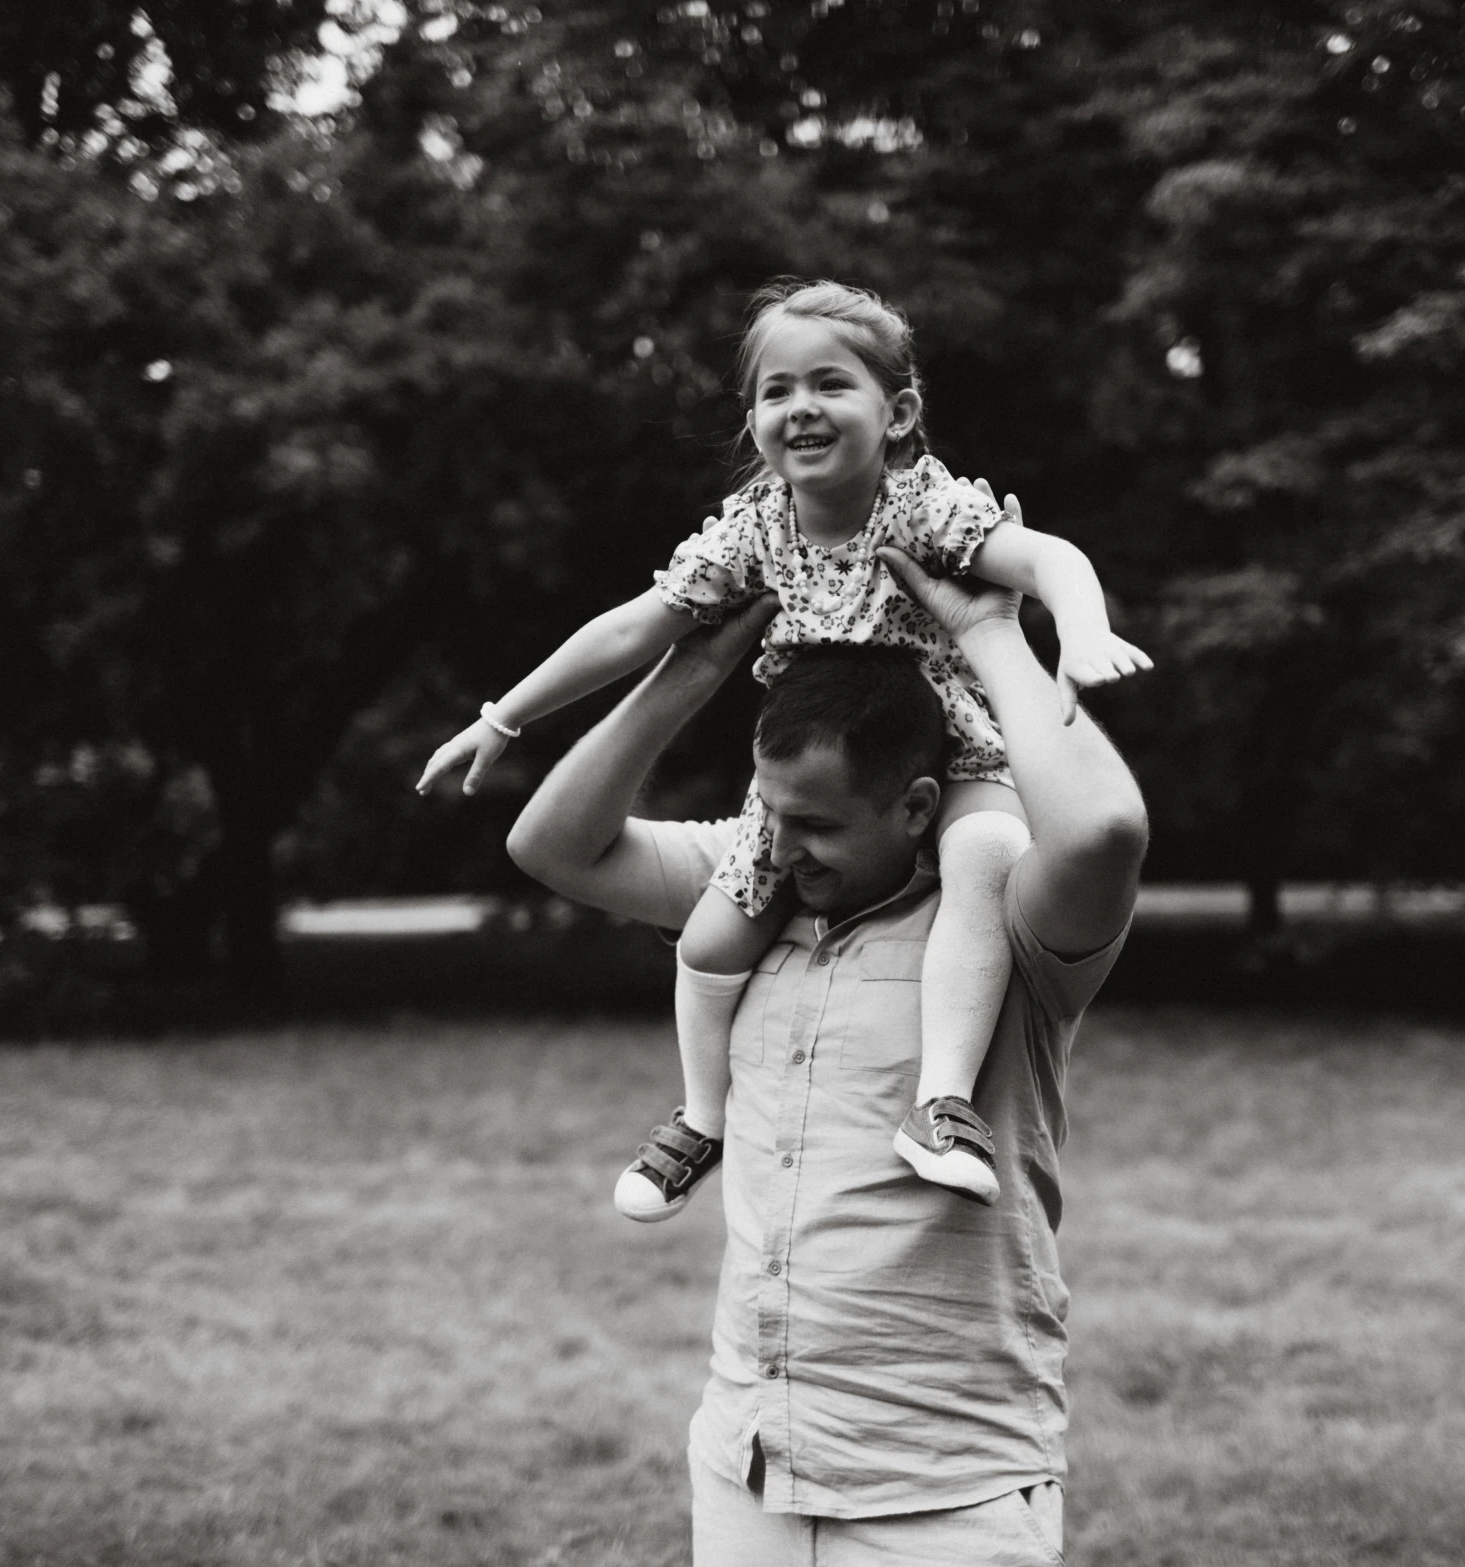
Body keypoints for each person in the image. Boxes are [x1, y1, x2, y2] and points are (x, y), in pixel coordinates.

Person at [416, 279, 1148, 1218]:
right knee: (716, 935)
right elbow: (632, 629)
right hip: (813, 769)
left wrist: (1075, 633)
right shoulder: (757, 528)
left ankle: (942, 1102)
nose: (800, 406)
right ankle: (700, 1117)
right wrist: (503, 716)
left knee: (987, 853)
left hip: (949, 752)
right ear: (753, 417)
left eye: (831, 384)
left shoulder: (924, 508)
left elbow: (1052, 559)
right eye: (775, 390)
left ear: (900, 413)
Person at [504, 530, 1146, 1565]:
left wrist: (990, 633)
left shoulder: (1015, 921)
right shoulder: (754, 873)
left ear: (917, 806)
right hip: (749, 1456)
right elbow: (552, 844)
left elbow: (1106, 830)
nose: (780, 843)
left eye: (814, 824)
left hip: (943, 1486)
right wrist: (694, 668)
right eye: (771, 815)